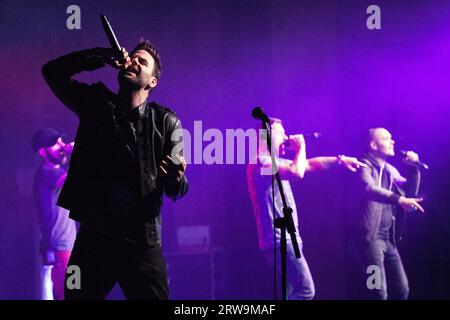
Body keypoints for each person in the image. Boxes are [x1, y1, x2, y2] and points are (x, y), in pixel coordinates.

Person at [42, 40, 189, 300]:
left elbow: (178, 188)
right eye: (132, 57)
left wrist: (176, 178)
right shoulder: (95, 104)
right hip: (95, 239)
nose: (133, 61)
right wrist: (99, 55)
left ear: (152, 82)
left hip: (143, 243)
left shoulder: (167, 121)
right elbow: (52, 72)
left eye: (142, 61)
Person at [246, 118, 366, 299]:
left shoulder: (272, 161)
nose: (286, 136)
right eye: (281, 133)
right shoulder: (261, 163)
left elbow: (309, 164)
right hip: (279, 240)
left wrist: (339, 160)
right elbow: (297, 172)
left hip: (284, 239)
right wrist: (300, 147)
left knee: (291, 292)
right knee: (305, 291)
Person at [349, 127, 424, 300]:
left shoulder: (390, 170)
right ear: (374, 145)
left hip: (389, 240)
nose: (393, 142)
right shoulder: (363, 165)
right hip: (369, 241)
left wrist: (413, 169)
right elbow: (369, 188)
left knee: (402, 290)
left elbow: (409, 193)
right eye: (387, 138)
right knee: (376, 291)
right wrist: (399, 200)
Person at [32, 128, 77, 300]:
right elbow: (81, 178)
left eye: (60, 140)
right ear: (42, 152)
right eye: (54, 144)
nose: (61, 145)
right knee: (70, 294)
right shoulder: (47, 174)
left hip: (68, 247)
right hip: (60, 249)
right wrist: (77, 153)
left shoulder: (57, 172)